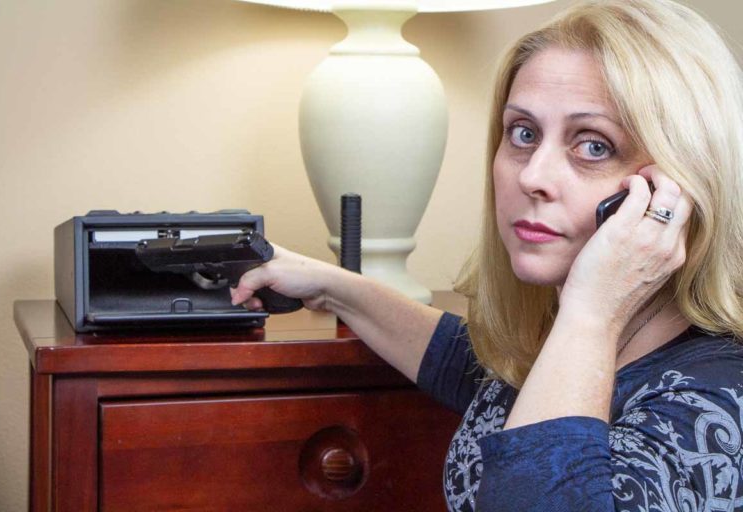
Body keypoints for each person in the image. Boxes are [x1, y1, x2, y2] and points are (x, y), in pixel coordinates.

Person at [231, 0, 743, 509]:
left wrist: (591, 315)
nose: (532, 176)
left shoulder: (713, 403)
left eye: (593, 146)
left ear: (679, 187)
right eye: (523, 133)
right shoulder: (557, 343)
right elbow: (473, 365)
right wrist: (330, 285)